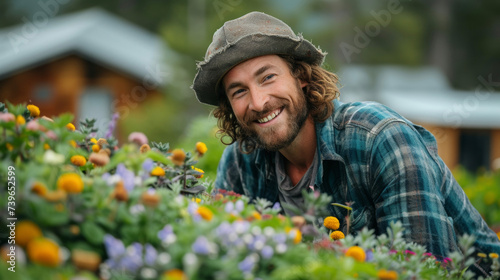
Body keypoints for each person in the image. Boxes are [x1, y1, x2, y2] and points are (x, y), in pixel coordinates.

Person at [191, 11, 500, 275]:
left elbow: (424, 270)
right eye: (239, 91)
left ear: (301, 76)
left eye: (267, 77)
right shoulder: (241, 160)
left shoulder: (380, 138)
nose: (258, 102)